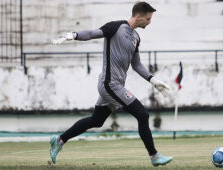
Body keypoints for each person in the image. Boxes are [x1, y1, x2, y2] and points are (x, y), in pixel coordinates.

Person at [50, 1, 172, 166]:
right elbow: (93, 33)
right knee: (142, 115)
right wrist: (74, 35)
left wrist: (153, 80)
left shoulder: (136, 37)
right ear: (139, 16)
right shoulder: (116, 27)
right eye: (148, 19)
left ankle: (59, 140)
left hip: (115, 86)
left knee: (96, 121)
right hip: (109, 84)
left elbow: (136, 65)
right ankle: (154, 156)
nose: (150, 22)